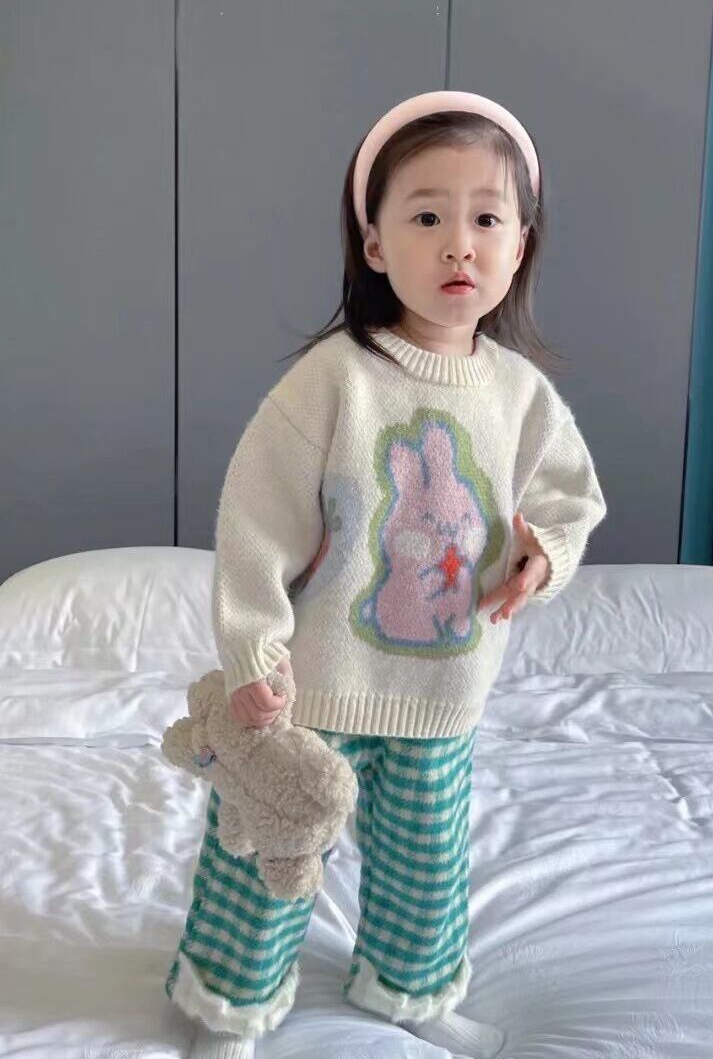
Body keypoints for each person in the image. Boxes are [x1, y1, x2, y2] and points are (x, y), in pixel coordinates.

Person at [165, 90, 607, 1059]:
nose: (459, 246)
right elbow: (256, 524)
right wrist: (251, 652)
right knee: (270, 848)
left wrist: (543, 554)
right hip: (315, 688)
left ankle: (409, 988)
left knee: (427, 863)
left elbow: (572, 500)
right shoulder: (335, 379)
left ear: (520, 246)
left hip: (444, 693)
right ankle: (230, 1000)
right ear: (375, 244)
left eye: (486, 219)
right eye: (427, 217)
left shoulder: (521, 396)